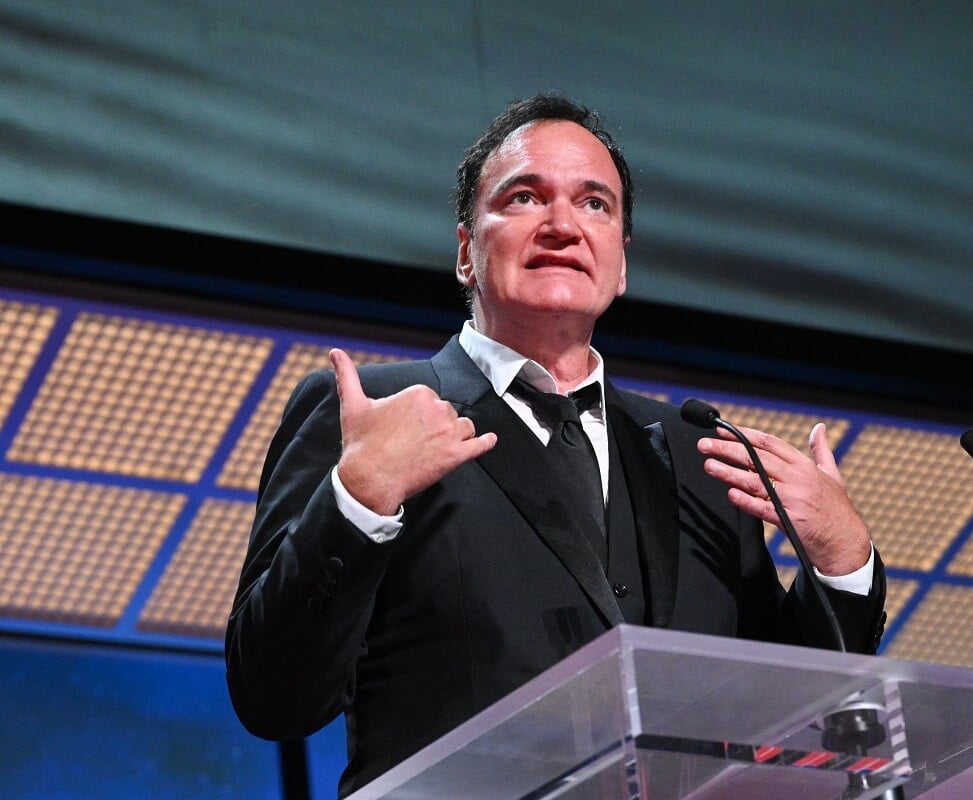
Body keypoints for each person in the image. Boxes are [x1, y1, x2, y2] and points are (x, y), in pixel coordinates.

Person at [225, 93, 887, 798]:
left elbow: (778, 721)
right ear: (465, 253)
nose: (564, 225)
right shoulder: (377, 413)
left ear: (621, 264)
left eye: (595, 204)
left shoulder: (701, 454)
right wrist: (356, 501)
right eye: (524, 197)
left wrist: (843, 566)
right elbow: (274, 698)